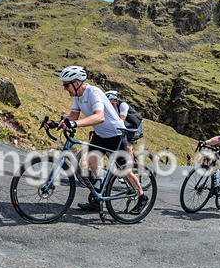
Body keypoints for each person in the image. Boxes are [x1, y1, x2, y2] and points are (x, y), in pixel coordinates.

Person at [50, 66, 148, 214]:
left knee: (124, 170)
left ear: (76, 83)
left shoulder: (93, 92)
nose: (64, 88)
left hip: (116, 134)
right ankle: (98, 196)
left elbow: (99, 117)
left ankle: (141, 196)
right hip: (100, 135)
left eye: (66, 85)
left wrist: (75, 124)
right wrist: (57, 123)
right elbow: (73, 116)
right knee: (91, 162)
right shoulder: (78, 96)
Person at [105, 90, 143, 155]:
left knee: (128, 148)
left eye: (108, 101)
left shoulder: (122, 105)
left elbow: (121, 120)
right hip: (125, 128)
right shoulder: (111, 109)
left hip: (135, 127)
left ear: (113, 99)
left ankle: (130, 164)